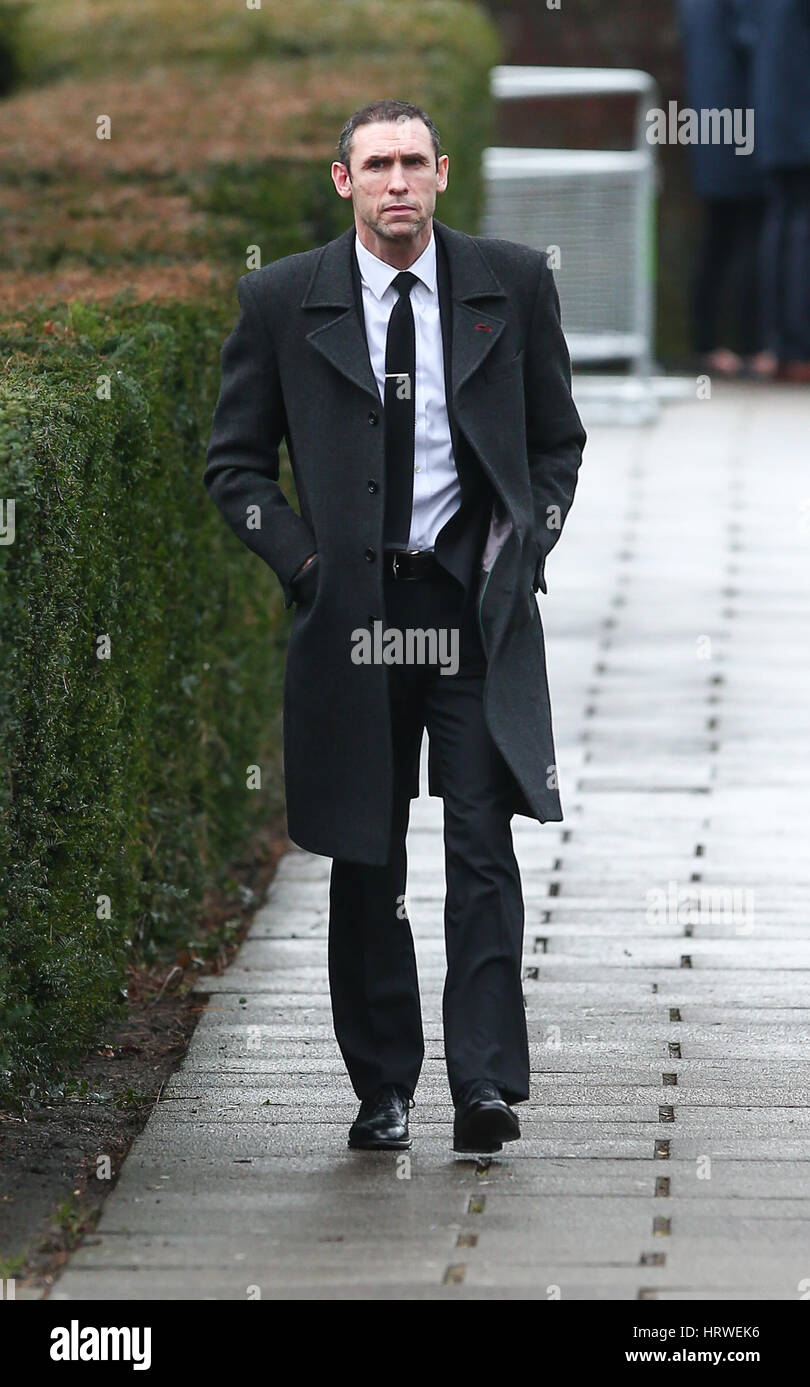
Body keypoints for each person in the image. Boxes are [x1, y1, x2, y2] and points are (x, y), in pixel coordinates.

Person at [204, 99, 586, 1154]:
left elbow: (558, 442)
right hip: (353, 619)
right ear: (345, 184)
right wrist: (308, 566)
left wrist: (526, 547)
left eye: (414, 162)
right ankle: (382, 1086)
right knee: (368, 856)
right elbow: (233, 469)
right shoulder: (282, 300)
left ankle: (486, 1085)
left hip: (470, 611)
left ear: (443, 173)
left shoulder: (511, 281)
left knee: (481, 841)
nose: (398, 183)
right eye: (377, 165)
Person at [677, 0, 767, 376]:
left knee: (720, 238)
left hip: (714, 127)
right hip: (742, 128)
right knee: (748, 235)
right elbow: (755, 43)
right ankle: (748, 346)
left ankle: (710, 343)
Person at [742, 0, 810, 381]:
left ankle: (780, 345)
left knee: (781, 224)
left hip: (773, 120)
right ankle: (798, 348)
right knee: (799, 230)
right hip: (800, 122)